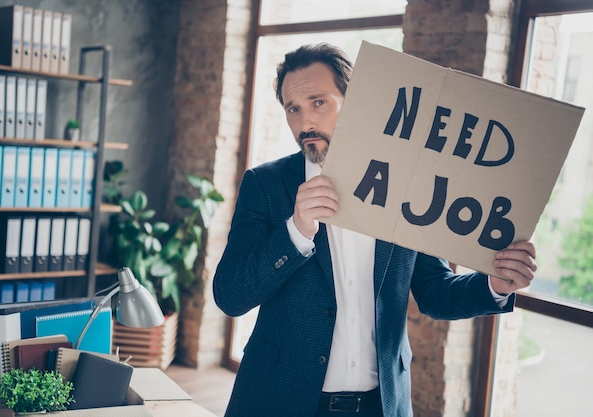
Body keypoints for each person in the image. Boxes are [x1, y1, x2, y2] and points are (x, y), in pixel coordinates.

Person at [213, 43, 537, 417]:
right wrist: (296, 231)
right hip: (278, 401)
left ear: (354, 101)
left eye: (319, 102)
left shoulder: (407, 186)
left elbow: (433, 291)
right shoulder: (265, 184)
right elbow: (230, 296)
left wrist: (496, 284)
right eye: (293, 109)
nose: (305, 124)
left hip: (381, 406)